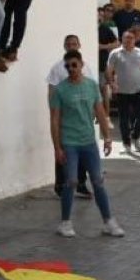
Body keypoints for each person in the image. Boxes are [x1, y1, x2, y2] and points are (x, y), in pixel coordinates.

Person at [50, 49, 124, 239]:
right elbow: (55, 120)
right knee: (71, 181)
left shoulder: (91, 86)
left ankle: (108, 222)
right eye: (67, 66)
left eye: (74, 65)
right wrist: (57, 147)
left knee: (98, 180)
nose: (71, 69)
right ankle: (65, 223)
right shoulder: (60, 90)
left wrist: (107, 138)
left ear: (82, 65)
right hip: (69, 142)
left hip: (89, 141)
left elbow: (100, 112)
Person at [48, 33, 93, 200]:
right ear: (64, 46)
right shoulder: (57, 68)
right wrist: (54, 113)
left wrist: (92, 112)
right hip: (64, 117)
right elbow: (52, 91)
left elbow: (91, 90)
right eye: (68, 44)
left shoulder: (86, 67)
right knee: (62, 151)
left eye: (74, 43)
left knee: (83, 151)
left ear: (79, 45)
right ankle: (60, 185)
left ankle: (80, 184)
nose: (71, 46)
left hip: (82, 117)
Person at [107, 28, 140, 155]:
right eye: (126, 38)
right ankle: (126, 144)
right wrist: (112, 83)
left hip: (137, 90)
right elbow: (109, 71)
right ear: (122, 39)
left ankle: (135, 137)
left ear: (135, 40)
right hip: (122, 92)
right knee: (124, 120)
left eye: (131, 38)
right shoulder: (115, 53)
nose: (128, 40)